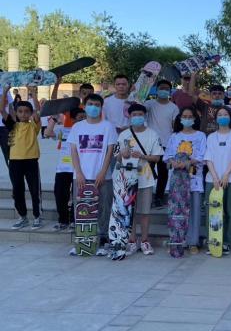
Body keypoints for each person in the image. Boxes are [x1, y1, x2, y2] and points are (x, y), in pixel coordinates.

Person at [67, 94, 118, 255]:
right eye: (90, 104)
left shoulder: (108, 127)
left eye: (97, 104)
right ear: (84, 106)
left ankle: (103, 241)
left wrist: (103, 172)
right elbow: (74, 151)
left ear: (101, 107)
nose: (93, 107)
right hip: (81, 177)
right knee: (81, 209)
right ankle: (83, 241)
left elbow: (110, 151)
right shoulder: (77, 127)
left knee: (103, 209)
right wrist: (78, 172)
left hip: (103, 177)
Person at [117, 104, 163, 256]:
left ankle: (144, 240)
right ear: (129, 116)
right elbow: (117, 157)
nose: (137, 117)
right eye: (134, 114)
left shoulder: (152, 134)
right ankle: (131, 240)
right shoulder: (123, 135)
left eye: (140, 114)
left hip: (145, 179)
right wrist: (122, 154)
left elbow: (157, 157)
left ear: (144, 116)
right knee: (130, 212)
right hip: (127, 180)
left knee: (144, 212)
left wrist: (142, 156)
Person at [163, 107, 207, 254]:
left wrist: (188, 163)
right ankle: (177, 241)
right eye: (184, 116)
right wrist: (174, 163)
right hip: (177, 181)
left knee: (194, 211)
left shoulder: (201, 136)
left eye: (190, 116)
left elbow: (202, 156)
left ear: (194, 119)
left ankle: (193, 242)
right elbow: (167, 156)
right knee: (176, 211)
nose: (187, 119)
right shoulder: (174, 136)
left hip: (194, 179)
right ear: (180, 118)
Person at [204, 107, 231, 255]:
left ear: (230, 117)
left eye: (225, 114)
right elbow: (208, 158)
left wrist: (226, 174)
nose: (222, 117)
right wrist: (215, 177)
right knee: (212, 212)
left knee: (229, 211)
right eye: (220, 115)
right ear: (216, 119)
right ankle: (213, 241)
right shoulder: (211, 137)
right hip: (212, 180)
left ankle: (227, 242)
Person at [2, 87, 43, 230]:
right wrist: (5, 91)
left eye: (26, 111)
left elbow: (38, 111)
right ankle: (23, 217)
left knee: (34, 190)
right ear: (16, 113)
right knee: (17, 191)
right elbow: (2, 110)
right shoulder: (12, 126)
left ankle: (37, 217)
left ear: (30, 113)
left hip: (31, 161)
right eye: (20, 111)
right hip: (14, 162)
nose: (23, 114)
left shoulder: (33, 126)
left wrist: (34, 93)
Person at [46, 107, 86, 231]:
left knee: (77, 196)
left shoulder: (88, 133)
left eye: (84, 117)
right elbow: (47, 133)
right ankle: (63, 220)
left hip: (79, 170)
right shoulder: (64, 130)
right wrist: (54, 118)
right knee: (60, 194)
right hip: (62, 169)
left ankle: (74, 221)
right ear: (73, 119)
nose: (83, 120)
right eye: (80, 118)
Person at [145, 79, 179, 207]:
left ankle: (158, 198)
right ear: (157, 90)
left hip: (166, 144)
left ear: (170, 91)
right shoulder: (149, 104)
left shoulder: (174, 107)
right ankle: (146, 198)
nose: (164, 90)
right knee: (147, 172)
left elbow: (175, 126)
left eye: (166, 89)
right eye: (161, 88)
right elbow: (138, 108)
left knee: (163, 174)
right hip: (150, 144)